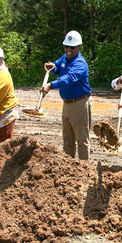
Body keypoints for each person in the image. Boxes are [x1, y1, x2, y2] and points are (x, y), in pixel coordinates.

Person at [42, 30, 93, 160]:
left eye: (72, 47)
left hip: (80, 103)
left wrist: (51, 85)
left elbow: (69, 79)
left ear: (79, 47)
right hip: (67, 103)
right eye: (66, 46)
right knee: (67, 139)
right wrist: (52, 67)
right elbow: (57, 67)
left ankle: (84, 169)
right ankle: (69, 169)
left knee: (82, 140)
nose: (68, 49)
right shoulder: (64, 58)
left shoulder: (80, 63)